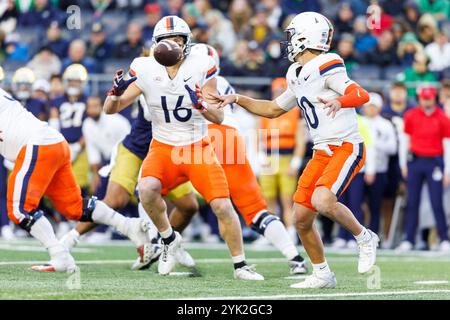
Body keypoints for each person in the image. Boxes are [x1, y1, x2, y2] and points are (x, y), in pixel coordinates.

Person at [212, 12, 378, 289]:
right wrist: (237, 98)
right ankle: (323, 273)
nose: (287, 42)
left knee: (324, 201)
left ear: (305, 37)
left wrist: (342, 102)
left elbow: (361, 94)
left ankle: (364, 236)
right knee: (301, 219)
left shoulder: (328, 63)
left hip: (346, 146)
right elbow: (274, 109)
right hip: (322, 151)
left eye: (291, 36)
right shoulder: (295, 73)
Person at [102, 16, 264, 280]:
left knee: (222, 205)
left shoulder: (202, 64)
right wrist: (114, 93)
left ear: (187, 43)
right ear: (156, 44)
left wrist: (201, 105)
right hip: (163, 145)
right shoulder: (143, 67)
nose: (172, 46)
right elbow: (112, 110)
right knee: (146, 189)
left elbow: (218, 117)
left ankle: (241, 265)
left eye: (178, 40)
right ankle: (168, 240)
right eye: (167, 41)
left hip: (196, 145)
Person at [186, 43, 307, 275]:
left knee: (157, 189)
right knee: (254, 208)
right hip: (231, 138)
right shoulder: (221, 82)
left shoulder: (188, 79)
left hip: (202, 137)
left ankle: (164, 244)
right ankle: (295, 258)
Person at [0, 88, 152, 272]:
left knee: (19, 209)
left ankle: (59, 255)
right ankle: (128, 226)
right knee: (75, 207)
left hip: (37, 144)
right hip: (53, 143)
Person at [397, 86, 450, 251]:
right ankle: (409, 239)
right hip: (415, 162)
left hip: (434, 162)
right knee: (412, 201)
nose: (426, 101)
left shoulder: (442, 118)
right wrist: (403, 163)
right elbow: (405, 141)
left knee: (437, 202)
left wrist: (447, 169)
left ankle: (444, 239)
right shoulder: (411, 115)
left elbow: (447, 145)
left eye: (429, 98)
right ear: (419, 98)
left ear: (434, 98)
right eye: (424, 98)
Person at [259, 77, 305, 243]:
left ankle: (291, 232)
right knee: (268, 198)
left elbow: (300, 141)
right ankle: (270, 235)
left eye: (281, 90)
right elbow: (259, 137)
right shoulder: (267, 111)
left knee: (287, 200)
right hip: (270, 159)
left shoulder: (294, 112)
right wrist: (261, 156)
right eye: (276, 90)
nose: (278, 93)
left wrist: (295, 163)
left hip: (286, 158)